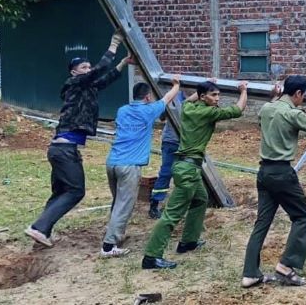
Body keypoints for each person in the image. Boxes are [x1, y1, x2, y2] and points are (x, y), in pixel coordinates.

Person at [25, 32, 129, 247]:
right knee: (76, 191)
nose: (89, 70)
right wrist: (114, 45)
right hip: (65, 151)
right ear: (74, 72)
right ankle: (38, 228)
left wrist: (123, 63)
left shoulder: (85, 88)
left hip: (60, 149)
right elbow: (100, 70)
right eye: (84, 68)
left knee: (61, 192)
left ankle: (42, 231)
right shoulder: (74, 83)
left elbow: (104, 79)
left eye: (88, 67)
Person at [241, 75, 306, 288]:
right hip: (282, 174)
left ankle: (250, 273)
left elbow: (266, 113)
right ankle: (286, 266)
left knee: (262, 222)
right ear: (298, 94)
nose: (302, 99)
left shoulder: (268, 108)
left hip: (264, 172)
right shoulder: (292, 113)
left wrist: (273, 98)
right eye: (302, 96)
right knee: (302, 216)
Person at [142, 79, 249, 270]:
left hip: (186, 166)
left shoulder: (189, 108)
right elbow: (237, 110)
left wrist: (205, 86)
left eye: (218, 95)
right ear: (203, 97)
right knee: (172, 215)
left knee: (201, 199)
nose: (217, 98)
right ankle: (151, 256)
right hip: (189, 170)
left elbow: (188, 101)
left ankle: (188, 241)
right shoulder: (208, 113)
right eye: (213, 95)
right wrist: (243, 91)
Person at [100, 76, 181, 258]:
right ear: (147, 97)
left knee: (117, 201)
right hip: (129, 166)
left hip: (112, 162)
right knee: (124, 205)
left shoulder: (122, 110)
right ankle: (108, 246)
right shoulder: (149, 110)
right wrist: (176, 85)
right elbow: (167, 98)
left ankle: (114, 235)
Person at [149, 88, 193, 219]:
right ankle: (155, 203)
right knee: (166, 172)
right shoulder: (174, 96)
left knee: (186, 174)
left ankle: (182, 204)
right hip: (171, 141)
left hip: (188, 143)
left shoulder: (202, 98)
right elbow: (162, 117)